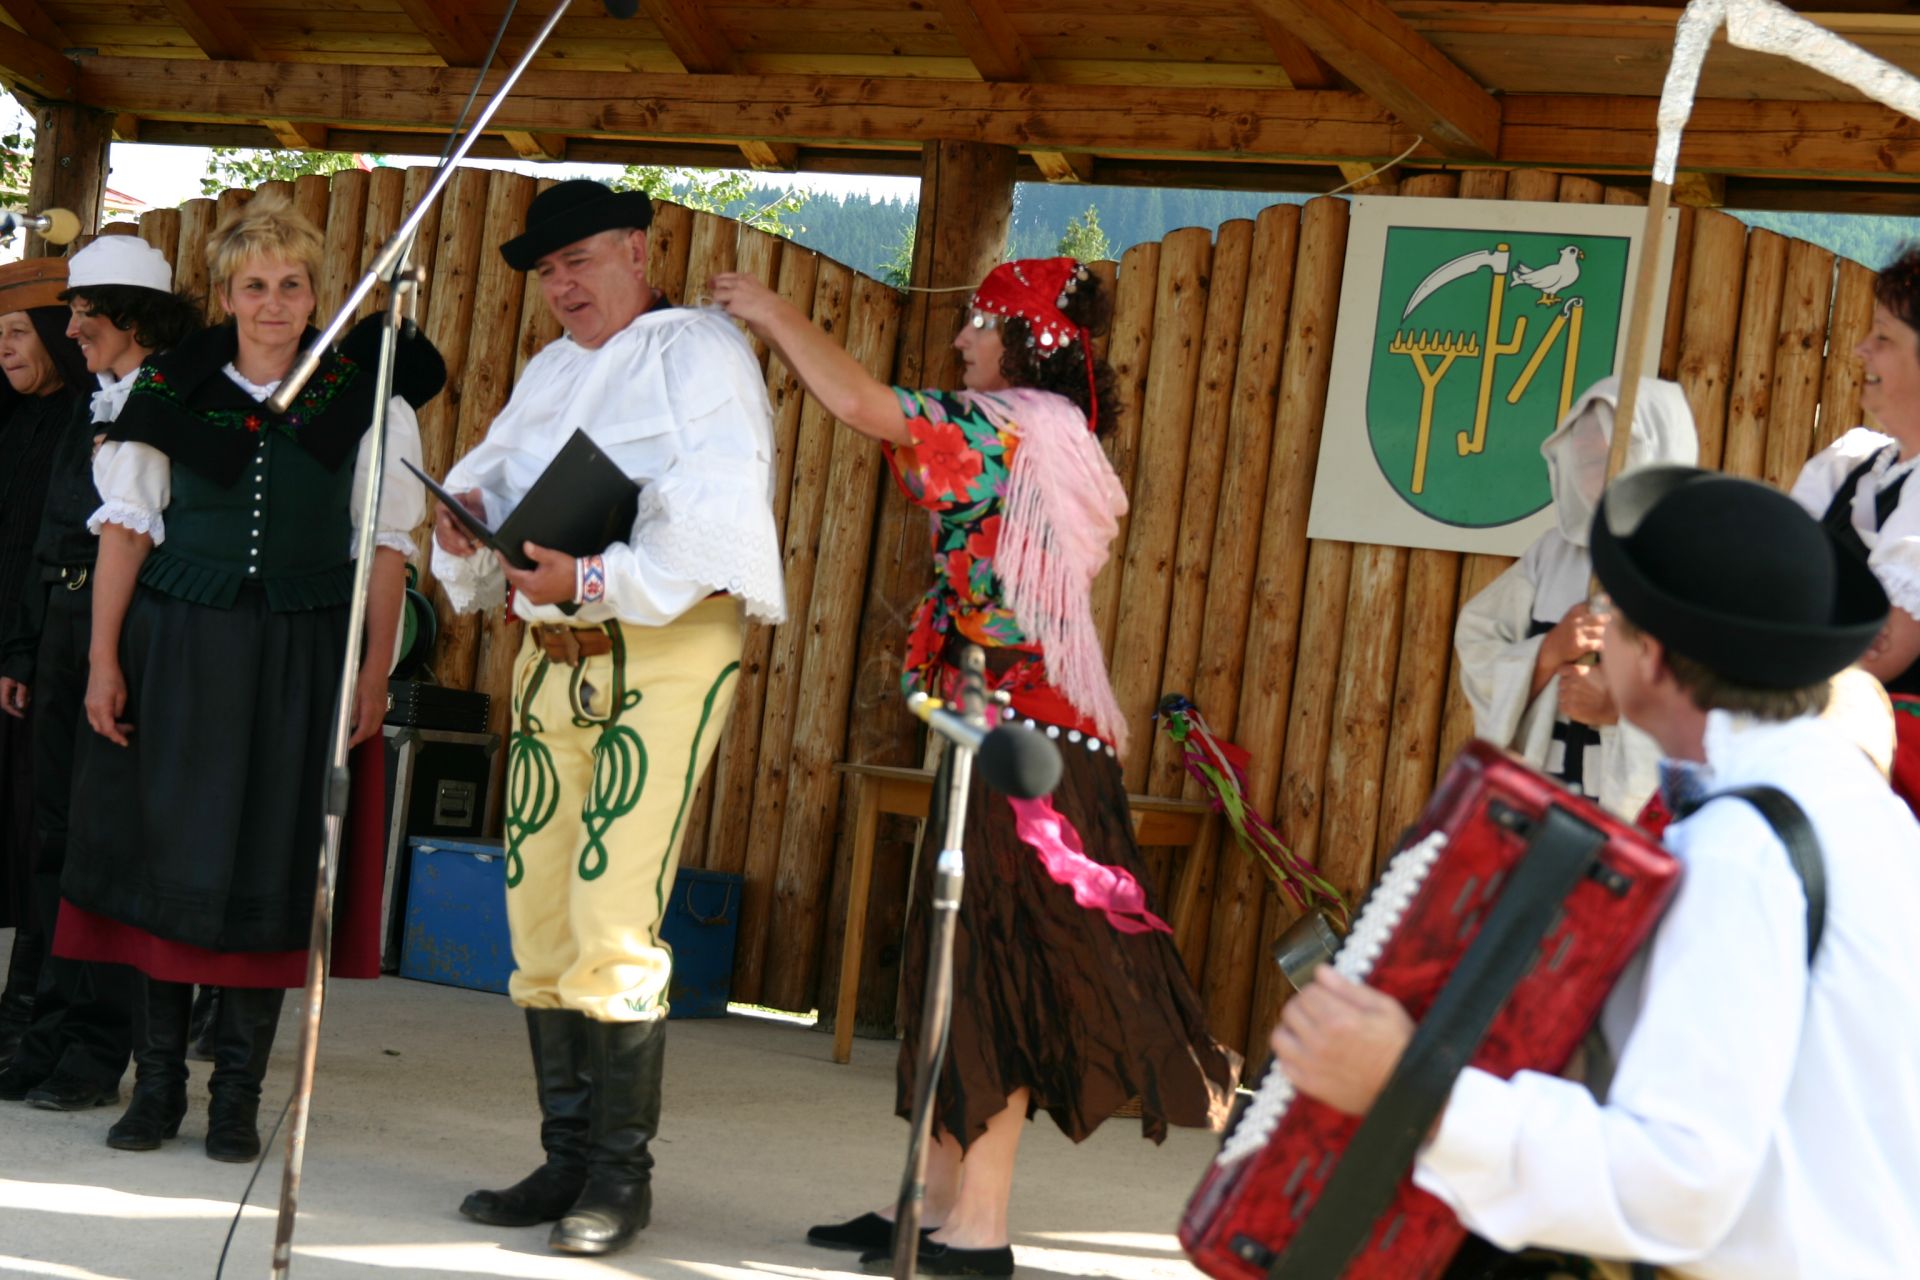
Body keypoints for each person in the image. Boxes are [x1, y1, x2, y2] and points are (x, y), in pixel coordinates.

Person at [713, 256, 1237, 1278]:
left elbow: (866, 405)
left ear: (1027, 340)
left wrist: (773, 310)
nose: (961, 340)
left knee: (994, 969)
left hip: (1023, 745)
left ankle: (979, 1224)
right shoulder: (1053, 432)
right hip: (1015, 732)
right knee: (957, 957)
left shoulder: (1011, 428)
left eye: (979, 324)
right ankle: (928, 1196)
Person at [1273, 467, 1920, 1279]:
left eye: (1613, 615)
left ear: (1652, 657)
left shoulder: (1739, 851)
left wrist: (1414, 1087)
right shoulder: (1865, 811)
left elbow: (1678, 1183)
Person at [434, 180, 785, 1257]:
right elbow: (492, 485)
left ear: (638, 248)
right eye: (548, 271)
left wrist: (591, 576)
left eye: (579, 259)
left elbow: (715, 529)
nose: (563, 285)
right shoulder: (552, 368)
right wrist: (468, 527)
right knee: (540, 911)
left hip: (661, 654)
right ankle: (569, 1158)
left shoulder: (699, 352)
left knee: (611, 911)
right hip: (553, 656)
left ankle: (621, 1178)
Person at [53, 194, 438, 1162]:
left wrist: (375, 672)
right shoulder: (171, 388)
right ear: (226, 295)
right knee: (169, 857)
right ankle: (158, 1087)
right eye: (255, 285)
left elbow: (384, 545)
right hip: (181, 644)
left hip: (302, 653)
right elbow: (127, 532)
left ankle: (236, 1096)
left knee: (273, 858)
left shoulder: (366, 394)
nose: (274, 303)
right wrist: (103, 660)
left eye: (292, 285)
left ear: (315, 295)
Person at [0, 239, 198, 1111]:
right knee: (50, 838)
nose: (72, 328)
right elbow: (47, 531)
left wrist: (104, 656)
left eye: (86, 312)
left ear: (134, 314)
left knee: (104, 844)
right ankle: (44, 1031)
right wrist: (24, 647)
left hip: (127, 635)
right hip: (61, 627)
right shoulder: (93, 404)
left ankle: (94, 1044)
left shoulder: (173, 402)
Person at [1454, 376, 1696, 819]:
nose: (1598, 476)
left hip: (1641, 825)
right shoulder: (1552, 555)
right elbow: (1478, 641)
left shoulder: (1699, 572)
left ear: (1661, 453)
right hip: (1540, 803)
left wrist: (1622, 712)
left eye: (1614, 456)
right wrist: (1547, 653)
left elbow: (1727, 714)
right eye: (1586, 460)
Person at [0, 258, 96, 1063]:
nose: (4, 348)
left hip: (44, 647)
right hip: (16, 644)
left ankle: (27, 1001)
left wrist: (23, 649)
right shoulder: (14, 421)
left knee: (39, 831)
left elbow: (47, 552)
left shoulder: (82, 423)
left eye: (17, 332)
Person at [1788, 244, 1920, 814]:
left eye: (1884, 337)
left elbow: (1878, 654)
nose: (1862, 348)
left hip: (1890, 786)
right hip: (1823, 758)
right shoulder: (1853, 466)